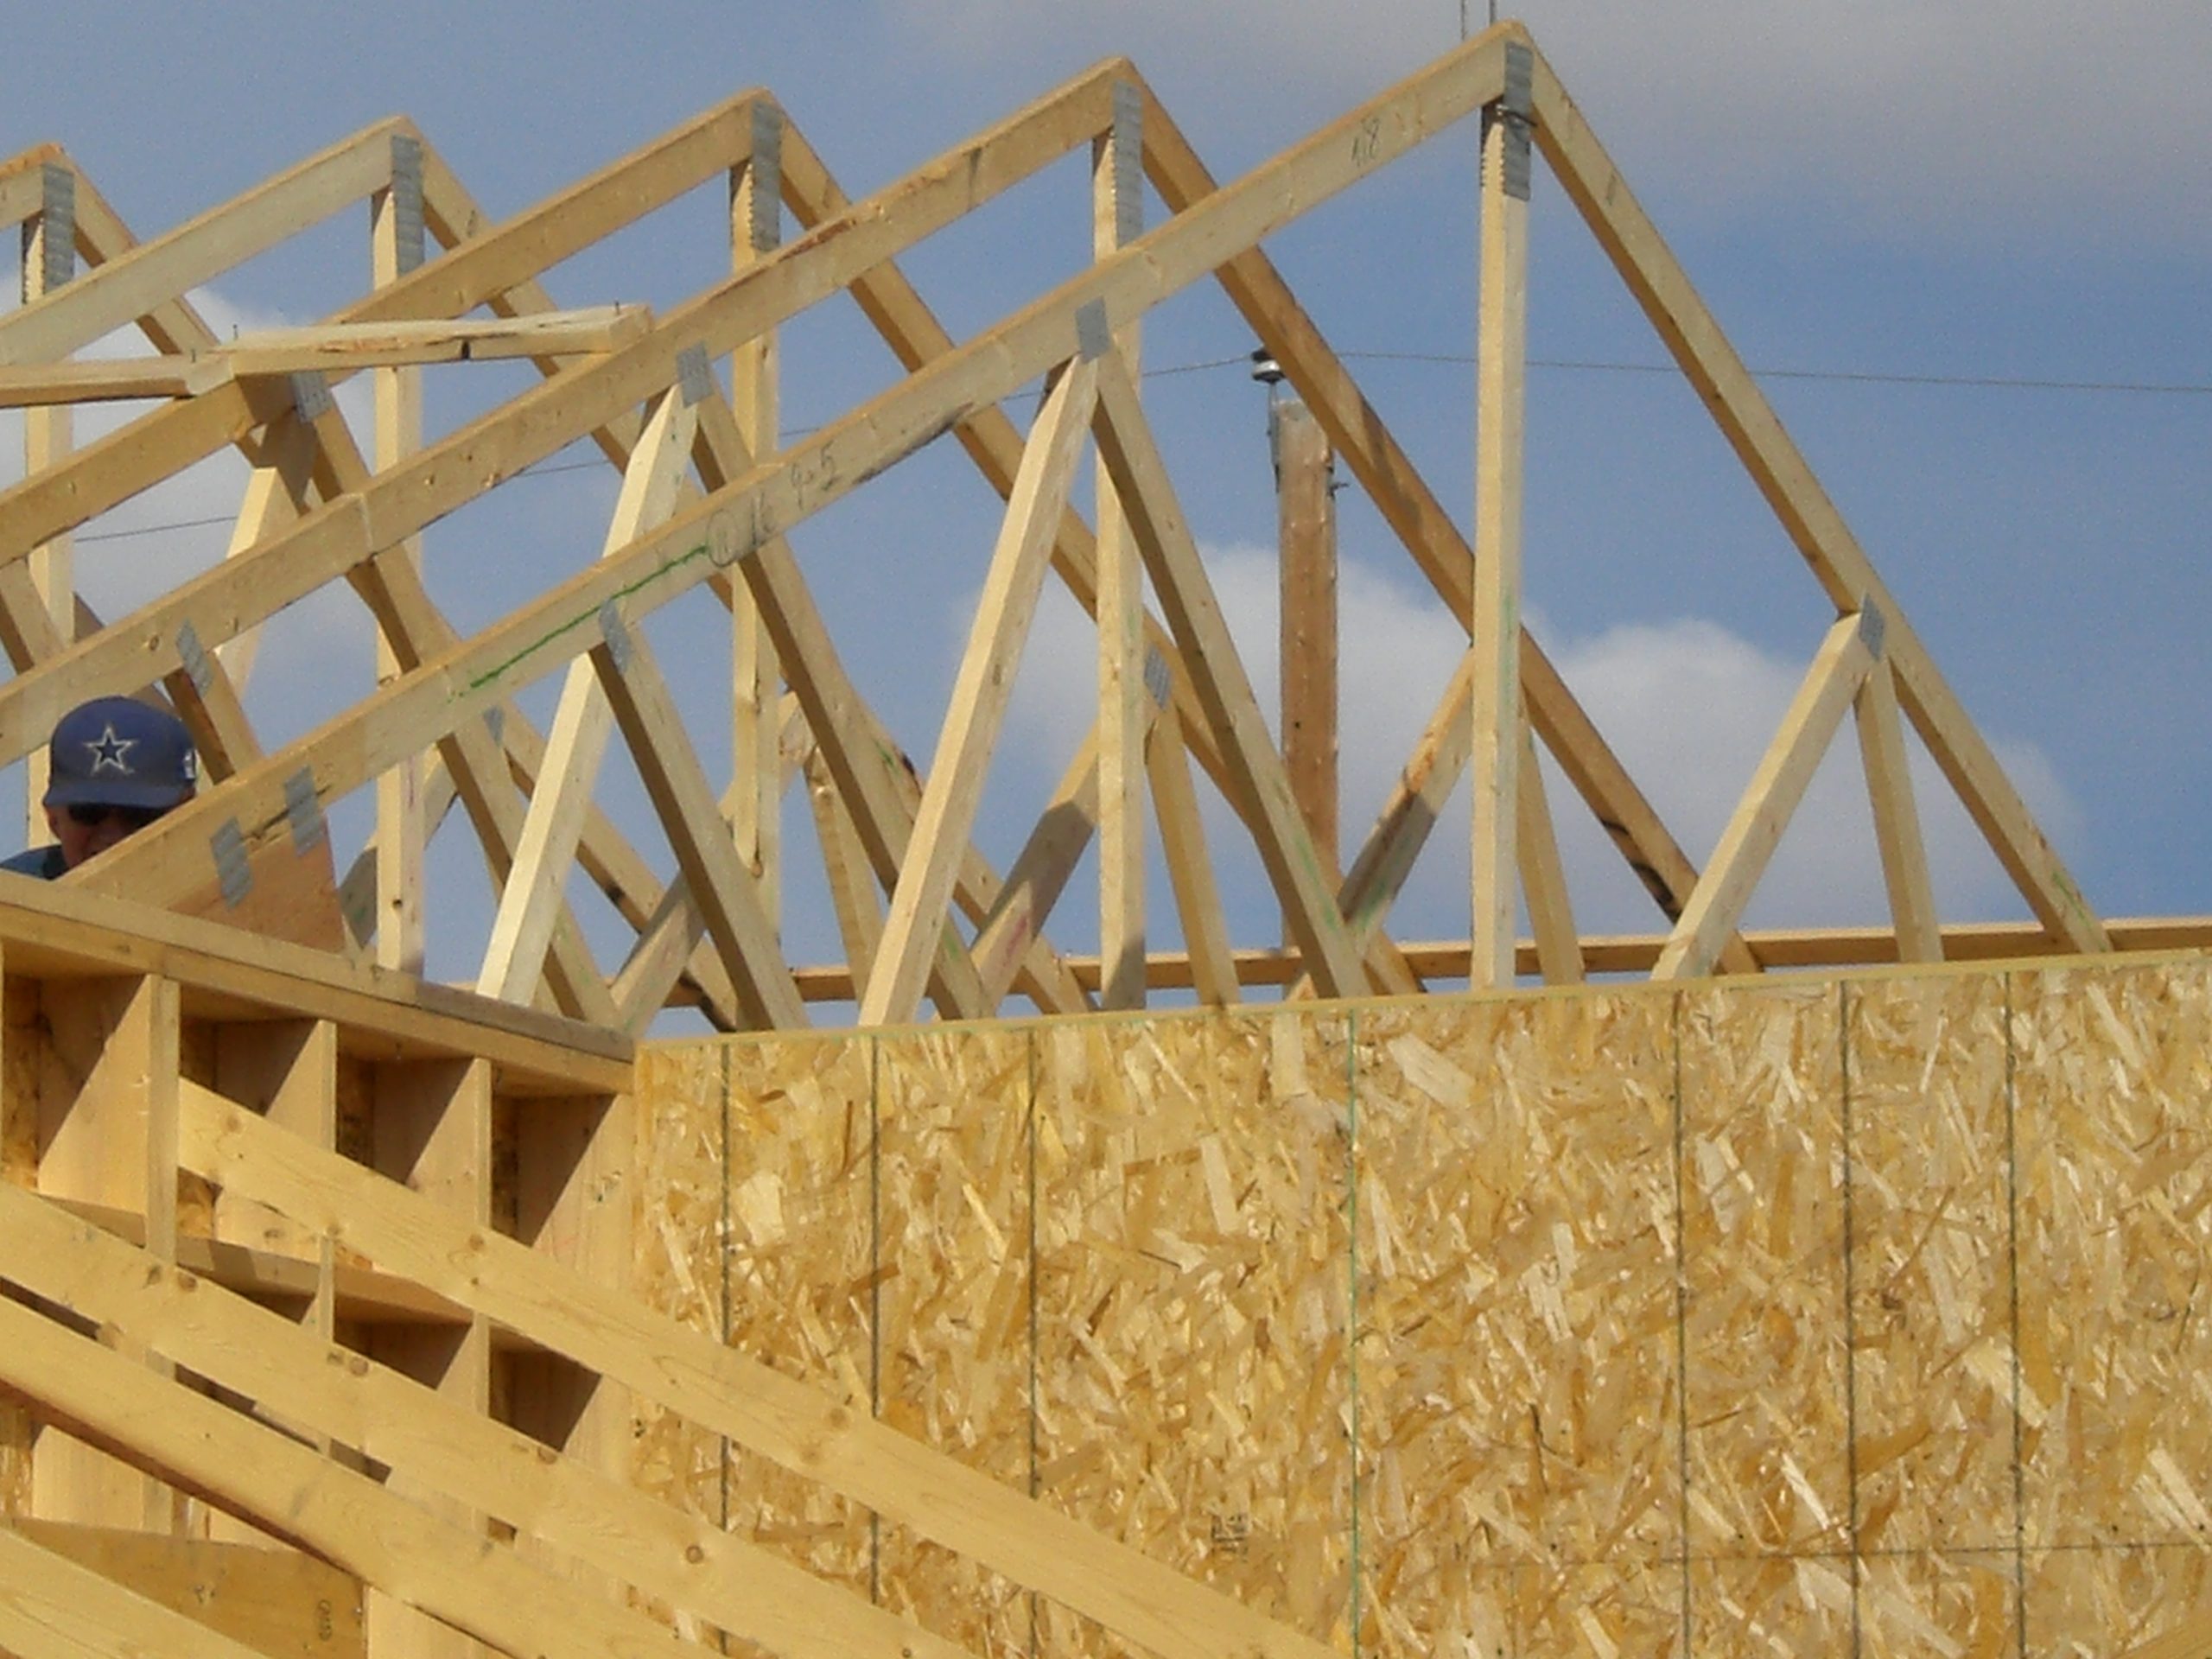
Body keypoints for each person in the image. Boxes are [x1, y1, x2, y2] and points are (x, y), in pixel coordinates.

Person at [2, 696, 199, 880]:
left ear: (188, 812)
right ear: (54, 819)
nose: (113, 838)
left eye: (138, 814)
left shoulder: (215, 890)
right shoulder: (11, 895)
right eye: (89, 813)